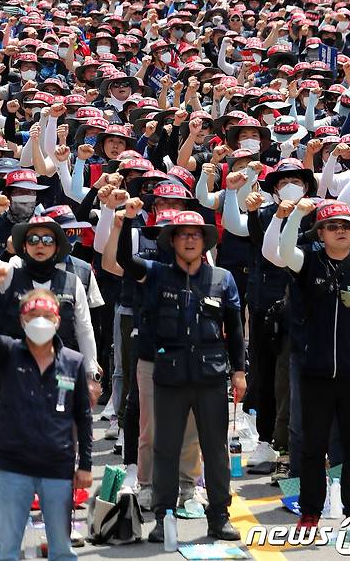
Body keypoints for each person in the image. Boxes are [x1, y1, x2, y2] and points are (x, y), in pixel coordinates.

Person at [117, 202, 246, 543]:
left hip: (210, 378)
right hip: (170, 378)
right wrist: (126, 218)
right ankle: (164, 517)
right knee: (165, 448)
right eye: (183, 235)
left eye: (196, 235)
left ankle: (219, 516)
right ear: (171, 241)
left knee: (216, 451)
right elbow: (124, 262)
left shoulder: (223, 279)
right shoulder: (157, 273)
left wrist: (239, 371)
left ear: (205, 242)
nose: (189, 240)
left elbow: (234, 330)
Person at [262, 198, 350, 533]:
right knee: (313, 446)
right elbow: (285, 252)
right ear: (321, 233)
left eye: (346, 225)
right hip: (313, 371)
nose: (341, 230)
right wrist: (298, 213)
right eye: (333, 226)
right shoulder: (308, 261)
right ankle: (311, 510)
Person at [0, 263, 93, 561]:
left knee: (62, 550)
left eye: (47, 315)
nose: (41, 321)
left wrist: (86, 465)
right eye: (33, 315)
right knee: (7, 551)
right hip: (14, 466)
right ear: (22, 319)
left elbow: (83, 417)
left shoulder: (73, 362)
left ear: (57, 319)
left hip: (58, 466)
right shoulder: (9, 352)